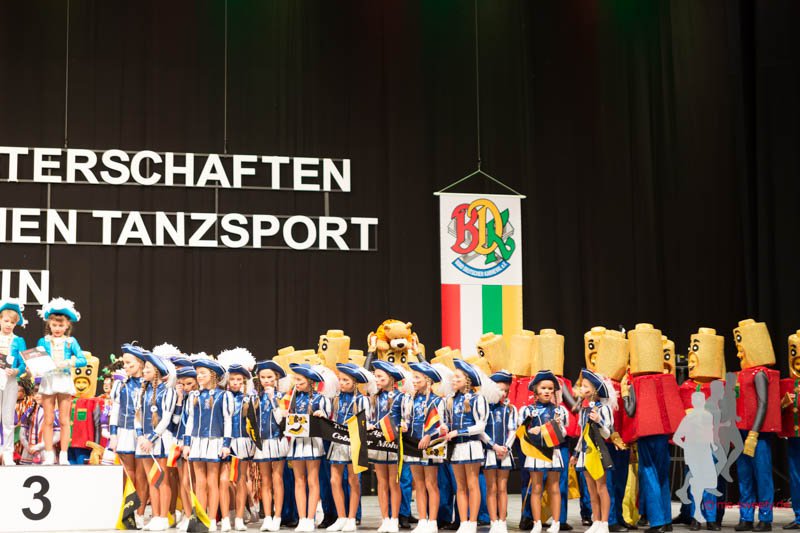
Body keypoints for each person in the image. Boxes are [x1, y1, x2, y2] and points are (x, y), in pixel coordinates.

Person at [183, 357, 234, 533]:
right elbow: (190, 420)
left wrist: (226, 444)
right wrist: (187, 443)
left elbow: (228, 421)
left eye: (203, 373)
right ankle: (201, 517)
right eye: (198, 374)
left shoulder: (224, 395)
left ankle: (212, 519)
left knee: (213, 482)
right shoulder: (194, 396)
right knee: (199, 483)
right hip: (197, 442)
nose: (199, 377)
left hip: (215, 442)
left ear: (213, 375)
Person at [287, 363, 337, 533]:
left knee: (313, 480)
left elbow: (328, 419)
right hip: (296, 443)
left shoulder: (320, 399)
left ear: (310, 381)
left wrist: (322, 415)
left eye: (300, 380)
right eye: (295, 380)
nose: (297, 383)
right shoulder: (292, 398)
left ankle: (310, 518)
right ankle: (302, 518)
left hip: (313, 443)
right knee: (299, 480)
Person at [36, 297, 87, 465]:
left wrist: (68, 362)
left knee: (64, 420)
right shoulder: (43, 341)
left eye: (60, 325)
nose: (57, 328)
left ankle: (64, 454)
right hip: (49, 380)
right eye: (54, 325)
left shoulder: (71, 342)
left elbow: (82, 360)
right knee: (48, 419)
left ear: (67, 326)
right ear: (49, 325)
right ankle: (49, 454)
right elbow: (37, 360)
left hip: (64, 380)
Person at [444, 359, 493, 533]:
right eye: (453, 377)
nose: (453, 380)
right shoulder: (450, 399)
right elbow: (447, 422)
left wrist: (458, 432)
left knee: (473, 485)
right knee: (460, 486)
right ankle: (463, 522)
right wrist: (444, 428)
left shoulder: (478, 398)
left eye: (458, 377)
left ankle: (472, 521)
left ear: (467, 380)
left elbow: (481, 426)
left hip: (472, 446)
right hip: (456, 448)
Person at [402, 361, 450, 533]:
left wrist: (429, 435)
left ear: (428, 380)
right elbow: (407, 419)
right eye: (413, 377)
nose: (413, 381)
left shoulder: (438, 400)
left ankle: (433, 521)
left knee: (431, 483)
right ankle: (422, 520)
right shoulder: (410, 399)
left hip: (431, 445)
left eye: (417, 378)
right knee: (419, 484)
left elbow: (443, 424)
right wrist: (404, 425)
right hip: (413, 444)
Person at [520, 370, 568, 533]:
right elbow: (523, 431)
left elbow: (563, 433)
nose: (547, 391)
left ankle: (556, 523)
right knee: (536, 488)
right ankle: (537, 523)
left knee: (554, 487)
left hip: (553, 452)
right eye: (543, 388)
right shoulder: (527, 410)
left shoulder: (559, 411)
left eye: (550, 388)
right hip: (536, 453)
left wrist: (552, 427)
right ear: (536, 390)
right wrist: (534, 431)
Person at [327, 363, 373, 532]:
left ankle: (352, 518)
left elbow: (367, 419)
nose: (342, 383)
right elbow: (332, 418)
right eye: (340, 380)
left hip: (355, 441)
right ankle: (341, 517)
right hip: (338, 441)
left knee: (353, 480)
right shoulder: (336, 398)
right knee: (334, 479)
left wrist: (366, 425)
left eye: (346, 380)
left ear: (355, 382)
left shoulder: (362, 399)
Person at [135, 350, 178, 531]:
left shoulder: (168, 392)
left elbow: (166, 419)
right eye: (144, 368)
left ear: (157, 372)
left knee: (162, 479)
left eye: (148, 368)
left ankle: (163, 517)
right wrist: (140, 436)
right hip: (144, 441)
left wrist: (151, 438)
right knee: (152, 479)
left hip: (161, 440)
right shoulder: (141, 391)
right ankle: (155, 516)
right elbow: (137, 416)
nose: (144, 371)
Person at [218, 348, 258, 532]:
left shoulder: (249, 399)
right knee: (224, 481)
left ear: (244, 382)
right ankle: (226, 517)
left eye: (239, 380)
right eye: (232, 379)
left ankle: (240, 518)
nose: (235, 382)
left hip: (242, 442)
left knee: (241, 479)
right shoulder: (220, 396)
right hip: (224, 442)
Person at [369, 360, 412, 533]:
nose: (377, 380)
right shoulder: (375, 397)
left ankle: (394, 518)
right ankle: (384, 519)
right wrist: (370, 425)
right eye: (376, 377)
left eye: (381, 377)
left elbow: (406, 419)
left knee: (394, 482)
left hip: (394, 442)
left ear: (391, 378)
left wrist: (403, 425)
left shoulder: (402, 397)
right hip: (379, 442)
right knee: (381, 482)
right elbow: (372, 417)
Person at [110, 343, 149, 528]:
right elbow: (115, 410)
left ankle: (140, 513)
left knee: (142, 474)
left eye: (129, 363)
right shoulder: (121, 384)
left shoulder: (149, 384)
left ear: (140, 363)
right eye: (124, 363)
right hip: (125, 431)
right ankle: (127, 512)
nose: (125, 366)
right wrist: (113, 434)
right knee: (127, 474)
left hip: (143, 433)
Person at [573, 369, 616, 533]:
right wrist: (576, 454)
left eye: (585, 386)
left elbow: (607, 434)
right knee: (591, 490)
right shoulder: (583, 410)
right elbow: (582, 435)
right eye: (582, 386)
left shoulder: (604, 409)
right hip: (586, 452)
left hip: (598, 452)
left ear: (595, 390)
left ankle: (605, 523)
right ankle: (596, 521)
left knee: (601, 487)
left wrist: (599, 421)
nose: (582, 389)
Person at [253, 359, 291, 532]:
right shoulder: (256, 398)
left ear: (276, 378)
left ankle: (278, 516)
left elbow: (281, 419)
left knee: (277, 479)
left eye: (270, 377)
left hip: (277, 440)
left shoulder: (283, 397)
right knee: (265, 480)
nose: (266, 381)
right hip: (262, 442)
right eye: (263, 377)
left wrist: (273, 399)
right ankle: (267, 516)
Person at [482, 370, 518, 533]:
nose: (503, 393)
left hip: (504, 453)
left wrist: (506, 448)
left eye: (506, 390)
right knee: (491, 488)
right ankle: (493, 521)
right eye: (500, 390)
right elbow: (481, 431)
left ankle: (502, 521)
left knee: (502, 488)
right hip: (490, 452)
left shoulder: (510, 409)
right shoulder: (484, 407)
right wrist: (493, 446)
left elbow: (513, 430)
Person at [0, 299, 27, 466]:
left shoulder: (18, 341)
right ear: (0, 320)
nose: (8, 325)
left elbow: (23, 363)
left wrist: (16, 371)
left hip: (10, 381)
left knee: (8, 418)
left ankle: (8, 454)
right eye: (6, 321)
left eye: (12, 322)